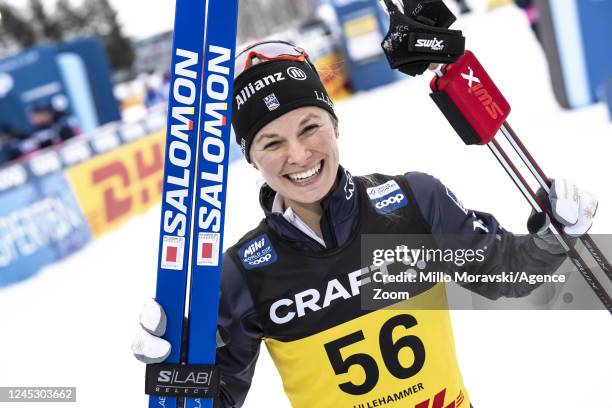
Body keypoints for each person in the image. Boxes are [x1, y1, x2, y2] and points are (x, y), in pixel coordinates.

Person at [132, 41, 597, 407]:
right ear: (252, 159)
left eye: (310, 127)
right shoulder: (242, 274)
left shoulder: (414, 201)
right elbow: (217, 400)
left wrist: (554, 236)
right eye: (271, 142)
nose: (298, 155)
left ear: (336, 125)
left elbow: (507, 274)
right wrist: (175, 372)